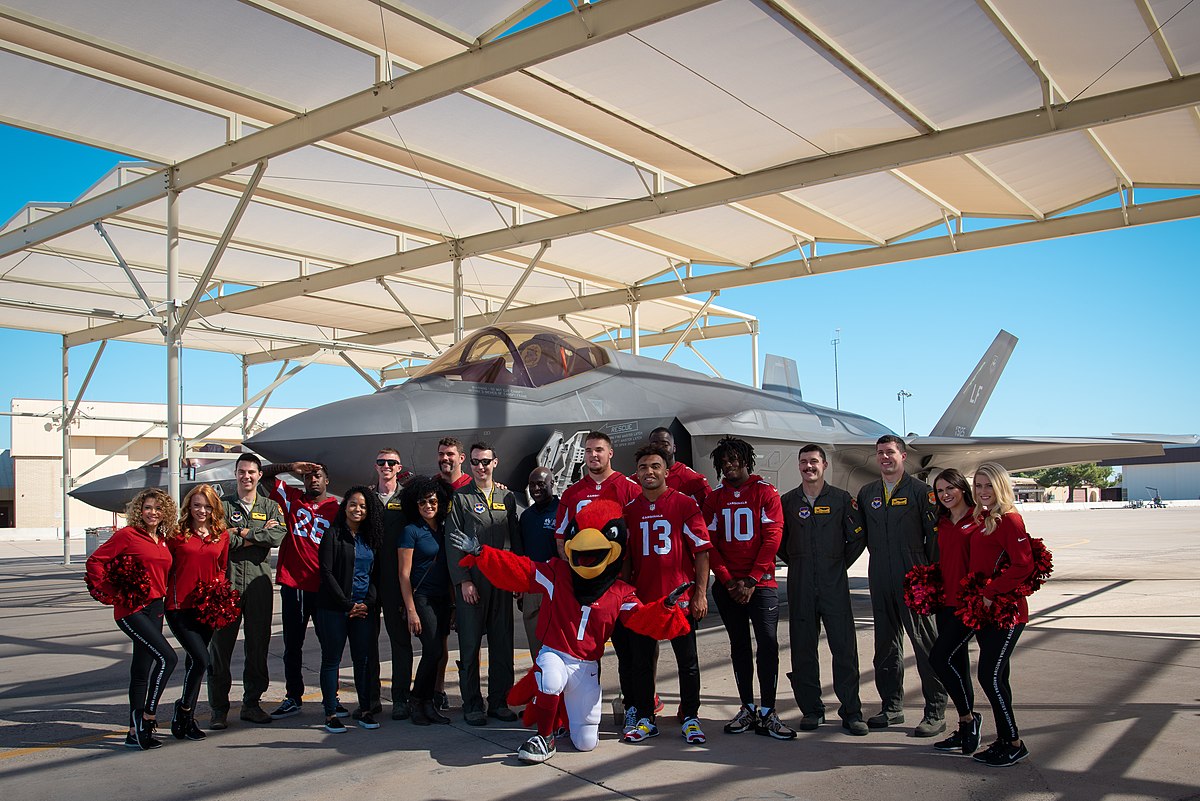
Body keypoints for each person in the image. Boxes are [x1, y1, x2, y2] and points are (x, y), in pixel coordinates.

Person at [448, 498, 693, 764]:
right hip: (556, 654)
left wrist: (666, 607)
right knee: (550, 677)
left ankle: (555, 709)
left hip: (586, 667)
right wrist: (483, 552)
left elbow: (642, 619)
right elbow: (520, 569)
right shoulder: (556, 573)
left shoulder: (621, 593)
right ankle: (544, 736)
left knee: (586, 743)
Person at [621, 444, 712, 746]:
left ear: (666, 471)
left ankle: (691, 717)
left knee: (687, 662)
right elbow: (628, 559)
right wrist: (626, 595)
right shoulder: (630, 510)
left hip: (678, 599)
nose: (649, 472)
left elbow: (701, 553)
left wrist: (700, 594)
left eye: (655, 466)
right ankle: (647, 717)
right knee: (641, 663)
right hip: (645, 601)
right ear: (637, 473)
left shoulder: (684, 504)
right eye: (644, 467)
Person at [856, 435, 947, 737]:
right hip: (879, 573)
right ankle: (891, 707)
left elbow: (933, 540)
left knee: (925, 642)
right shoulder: (868, 493)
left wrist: (930, 578)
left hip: (914, 574)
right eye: (880, 453)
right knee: (886, 645)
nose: (885, 457)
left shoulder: (922, 493)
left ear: (903, 456)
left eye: (891, 452)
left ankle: (935, 710)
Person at [702, 437, 791, 739]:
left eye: (734, 458)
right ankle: (747, 707)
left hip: (761, 584)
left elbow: (772, 538)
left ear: (746, 459)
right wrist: (728, 580)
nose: (729, 464)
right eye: (723, 461)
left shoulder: (765, 492)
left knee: (767, 644)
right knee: (739, 646)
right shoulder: (714, 499)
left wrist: (752, 579)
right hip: (728, 587)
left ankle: (768, 711)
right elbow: (709, 545)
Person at [778, 444, 868, 736]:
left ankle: (851, 712)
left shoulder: (841, 500)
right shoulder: (787, 502)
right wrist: (801, 561)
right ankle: (812, 710)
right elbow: (779, 542)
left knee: (844, 649)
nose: (808, 467)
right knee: (803, 649)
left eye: (813, 461)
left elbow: (856, 539)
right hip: (800, 584)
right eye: (803, 462)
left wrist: (835, 563)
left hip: (834, 584)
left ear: (824, 465)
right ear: (799, 466)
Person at [85, 487, 178, 750]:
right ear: (139, 510)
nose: (153, 512)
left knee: (141, 670)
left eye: (158, 509)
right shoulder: (128, 535)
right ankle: (146, 716)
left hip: (155, 608)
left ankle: (132, 733)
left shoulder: (161, 539)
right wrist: (112, 592)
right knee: (167, 658)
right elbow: (95, 562)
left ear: (165, 513)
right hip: (132, 609)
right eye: (148, 507)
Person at [445, 442, 521, 725]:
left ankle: (500, 702)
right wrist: (463, 581)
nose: (480, 467)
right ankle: (472, 704)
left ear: (495, 463)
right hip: (473, 582)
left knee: (502, 643)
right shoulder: (461, 499)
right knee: (470, 644)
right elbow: (453, 544)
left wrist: (519, 577)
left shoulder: (507, 497)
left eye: (485, 462)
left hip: (501, 579)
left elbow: (515, 539)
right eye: (475, 462)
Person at [965, 463, 1035, 767]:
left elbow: (1023, 566)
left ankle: (1014, 741)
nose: (982, 492)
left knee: (989, 675)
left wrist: (991, 592)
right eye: (978, 486)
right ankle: (1005, 741)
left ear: (1001, 487)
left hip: (1008, 614)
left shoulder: (1009, 520)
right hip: (986, 612)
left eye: (988, 486)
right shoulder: (982, 518)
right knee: (999, 677)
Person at [208, 453, 284, 729]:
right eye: (242, 471)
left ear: (259, 475)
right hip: (227, 586)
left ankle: (252, 703)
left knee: (257, 646)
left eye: (251, 472)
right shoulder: (221, 506)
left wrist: (241, 533)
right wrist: (254, 534)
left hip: (258, 585)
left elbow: (276, 537)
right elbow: (220, 538)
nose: (246, 476)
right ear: (236, 473)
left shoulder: (271, 506)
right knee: (220, 649)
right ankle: (218, 709)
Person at [260, 461, 340, 720]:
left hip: (324, 587)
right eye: (307, 477)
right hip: (294, 585)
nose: (312, 480)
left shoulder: (336, 510)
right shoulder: (292, 498)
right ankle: (294, 696)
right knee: (292, 645)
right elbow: (264, 474)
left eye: (317, 476)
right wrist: (292, 466)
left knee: (330, 645)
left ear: (327, 480)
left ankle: (332, 696)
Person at [316, 486, 385, 733]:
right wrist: (347, 605)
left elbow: (375, 575)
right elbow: (326, 572)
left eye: (364, 506)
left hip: (363, 609)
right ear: (345, 506)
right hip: (334, 609)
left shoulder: (370, 539)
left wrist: (367, 602)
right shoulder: (332, 535)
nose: (358, 509)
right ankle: (330, 713)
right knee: (332, 660)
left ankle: (365, 710)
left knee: (363, 661)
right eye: (354, 504)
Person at [165, 484, 229, 742]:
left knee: (195, 662)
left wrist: (218, 591)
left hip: (208, 608)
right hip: (179, 607)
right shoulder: (176, 534)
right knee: (202, 659)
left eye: (207, 506)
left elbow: (223, 567)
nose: (202, 510)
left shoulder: (220, 535)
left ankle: (185, 720)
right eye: (197, 505)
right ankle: (184, 710)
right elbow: (164, 565)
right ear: (188, 507)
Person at [926, 468, 983, 755]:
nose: (945, 494)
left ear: (962, 488)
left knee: (938, 657)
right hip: (946, 603)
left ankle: (969, 718)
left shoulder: (980, 519)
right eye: (940, 491)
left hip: (969, 605)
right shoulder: (943, 522)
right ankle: (964, 727)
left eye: (950, 488)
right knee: (957, 665)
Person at [398, 476, 454, 726]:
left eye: (432, 501)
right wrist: (411, 610)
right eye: (422, 502)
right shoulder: (411, 531)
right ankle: (416, 699)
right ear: (416, 505)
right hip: (422, 598)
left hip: (443, 598)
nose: (428, 505)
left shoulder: (443, 529)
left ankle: (429, 703)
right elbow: (404, 574)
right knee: (431, 651)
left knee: (440, 652)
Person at [371, 447, 415, 720]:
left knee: (401, 643)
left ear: (399, 467)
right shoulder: (366, 497)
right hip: (370, 582)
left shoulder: (408, 499)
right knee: (366, 643)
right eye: (381, 462)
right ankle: (370, 699)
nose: (386, 466)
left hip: (397, 581)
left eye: (392, 462)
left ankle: (400, 699)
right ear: (376, 466)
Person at [553, 431, 640, 559]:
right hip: (582, 570)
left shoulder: (631, 489)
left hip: (619, 571)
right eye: (588, 450)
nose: (593, 455)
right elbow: (560, 537)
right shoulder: (571, 494)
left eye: (599, 450)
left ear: (610, 453)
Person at [518, 467, 559, 658]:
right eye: (532, 484)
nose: (536, 489)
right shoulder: (526, 517)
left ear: (552, 484)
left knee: (559, 647)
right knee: (538, 649)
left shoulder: (563, 511)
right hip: (532, 589)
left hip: (557, 588)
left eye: (541, 484)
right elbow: (522, 554)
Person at [649, 427, 711, 508]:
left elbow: (710, 512)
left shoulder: (693, 479)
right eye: (654, 444)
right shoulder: (640, 478)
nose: (659, 448)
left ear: (674, 448)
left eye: (665, 444)